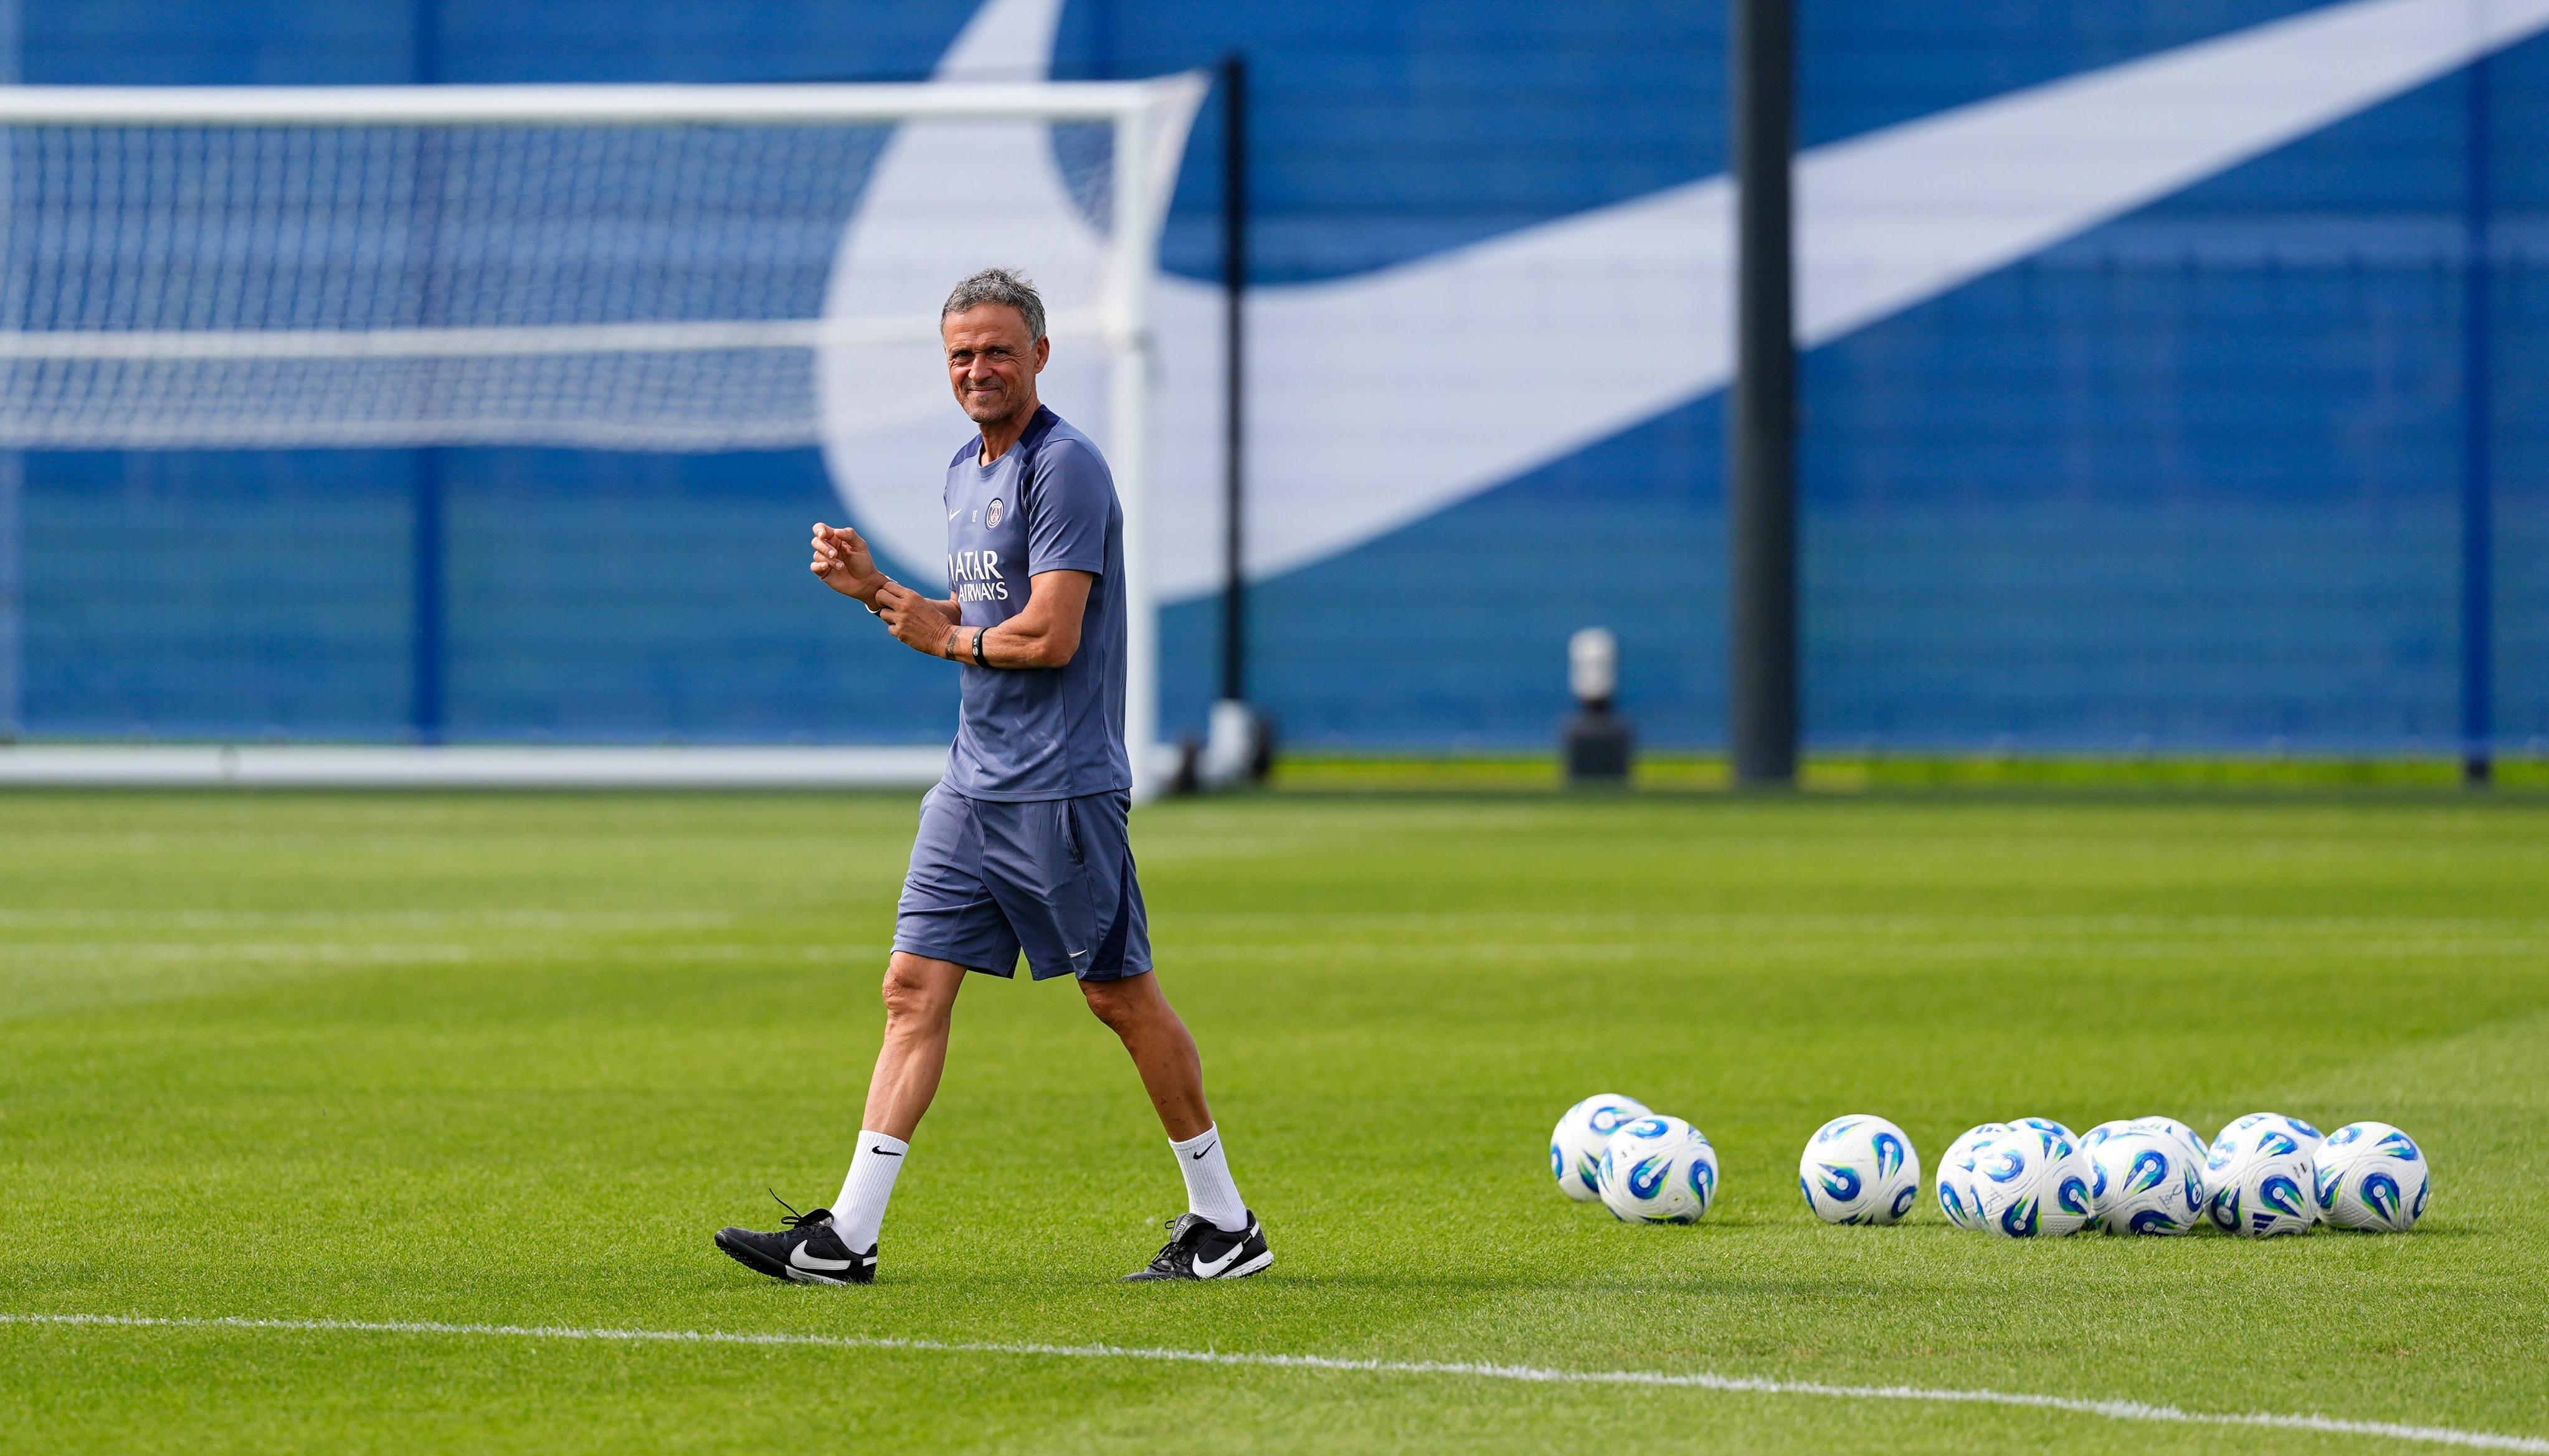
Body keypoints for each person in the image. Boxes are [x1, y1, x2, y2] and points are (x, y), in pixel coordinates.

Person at [713, 268, 1270, 1285]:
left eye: (999, 349)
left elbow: (1050, 637)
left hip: (1060, 788)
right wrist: (875, 587)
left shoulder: (1066, 468)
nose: (979, 367)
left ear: (1041, 356)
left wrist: (943, 637)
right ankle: (849, 1235)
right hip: (973, 784)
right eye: (962, 352)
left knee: (1119, 999)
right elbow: (966, 625)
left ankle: (1225, 1221)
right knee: (910, 988)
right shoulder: (965, 469)